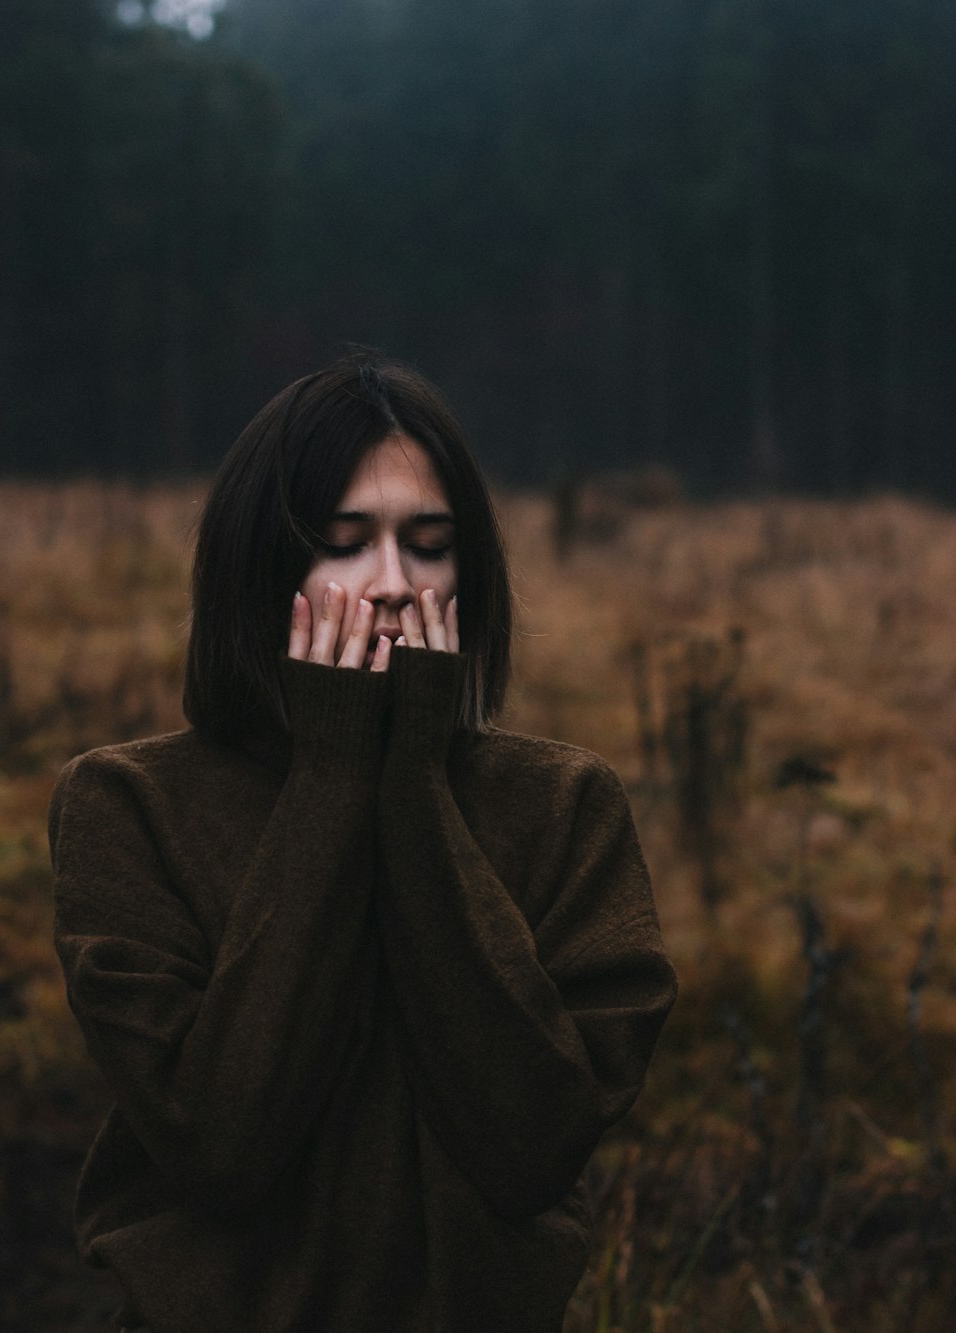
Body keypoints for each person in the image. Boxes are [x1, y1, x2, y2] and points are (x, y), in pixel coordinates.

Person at [49, 355, 677, 1333]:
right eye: (346, 542)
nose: (391, 583)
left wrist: (415, 783)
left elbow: (531, 1149)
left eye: (428, 544)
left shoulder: (561, 807)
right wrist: (335, 772)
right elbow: (219, 1142)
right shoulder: (129, 805)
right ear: (263, 563)